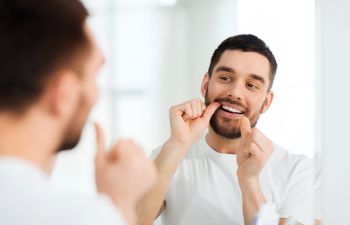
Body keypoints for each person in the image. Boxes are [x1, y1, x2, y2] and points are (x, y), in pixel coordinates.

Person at [0, 0, 157, 225]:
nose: (95, 94)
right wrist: (121, 204)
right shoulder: (82, 218)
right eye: (93, 75)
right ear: (63, 95)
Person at [137, 34, 313, 225]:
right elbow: (132, 220)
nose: (235, 93)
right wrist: (178, 145)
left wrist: (250, 182)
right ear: (206, 85)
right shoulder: (167, 157)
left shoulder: (299, 171)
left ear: (266, 102)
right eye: (225, 78)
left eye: (251, 85)